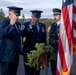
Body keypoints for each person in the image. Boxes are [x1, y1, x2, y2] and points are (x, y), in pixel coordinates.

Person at [21, 10, 46, 75]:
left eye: (38, 17)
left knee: (37, 71)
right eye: (35, 16)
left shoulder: (42, 25)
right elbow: (22, 34)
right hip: (28, 52)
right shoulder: (26, 24)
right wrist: (30, 26)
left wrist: (44, 50)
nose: (36, 18)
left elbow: (44, 39)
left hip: (38, 52)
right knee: (29, 71)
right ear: (32, 16)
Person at [0, 6, 23, 75]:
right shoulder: (4, 22)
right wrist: (10, 25)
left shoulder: (18, 24)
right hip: (6, 56)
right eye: (16, 15)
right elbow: (1, 34)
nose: (17, 17)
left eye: (18, 15)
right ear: (10, 14)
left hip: (15, 55)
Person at [49, 8, 61, 75]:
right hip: (52, 48)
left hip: (60, 48)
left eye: (56, 15)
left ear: (60, 15)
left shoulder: (64, 25)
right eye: (54, 15)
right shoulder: (53, 25)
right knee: (53, 67)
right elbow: (50, 37)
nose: (55, 17)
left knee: (59, 67)